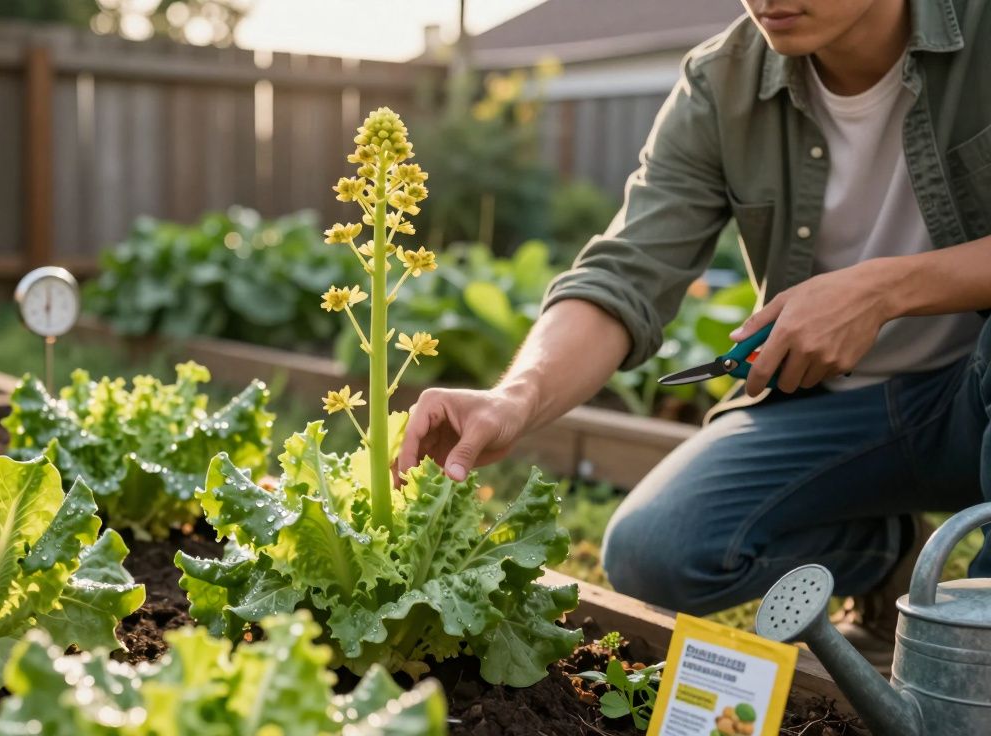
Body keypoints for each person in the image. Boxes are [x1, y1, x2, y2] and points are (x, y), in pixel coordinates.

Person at [397, 0, 991, 657]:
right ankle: (885, 558)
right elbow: (626, 273)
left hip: (975, 395)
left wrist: (883, 289)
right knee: (656, 550)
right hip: (842, 410)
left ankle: (977, 648)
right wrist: (515, 398)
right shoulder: (722, 82)